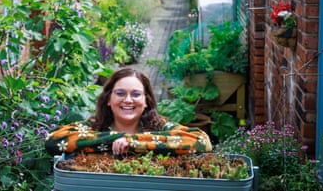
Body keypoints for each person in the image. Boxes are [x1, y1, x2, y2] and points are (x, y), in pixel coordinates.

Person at [45, 67, 212, 156]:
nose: (128, 100)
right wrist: (115, 140)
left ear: (146, 101)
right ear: (108, 100)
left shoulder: (160, 126)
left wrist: (133, 143)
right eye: (120, 93)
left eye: (136, 94)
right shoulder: (95, 126)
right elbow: (53, 140)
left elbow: (202, 141)